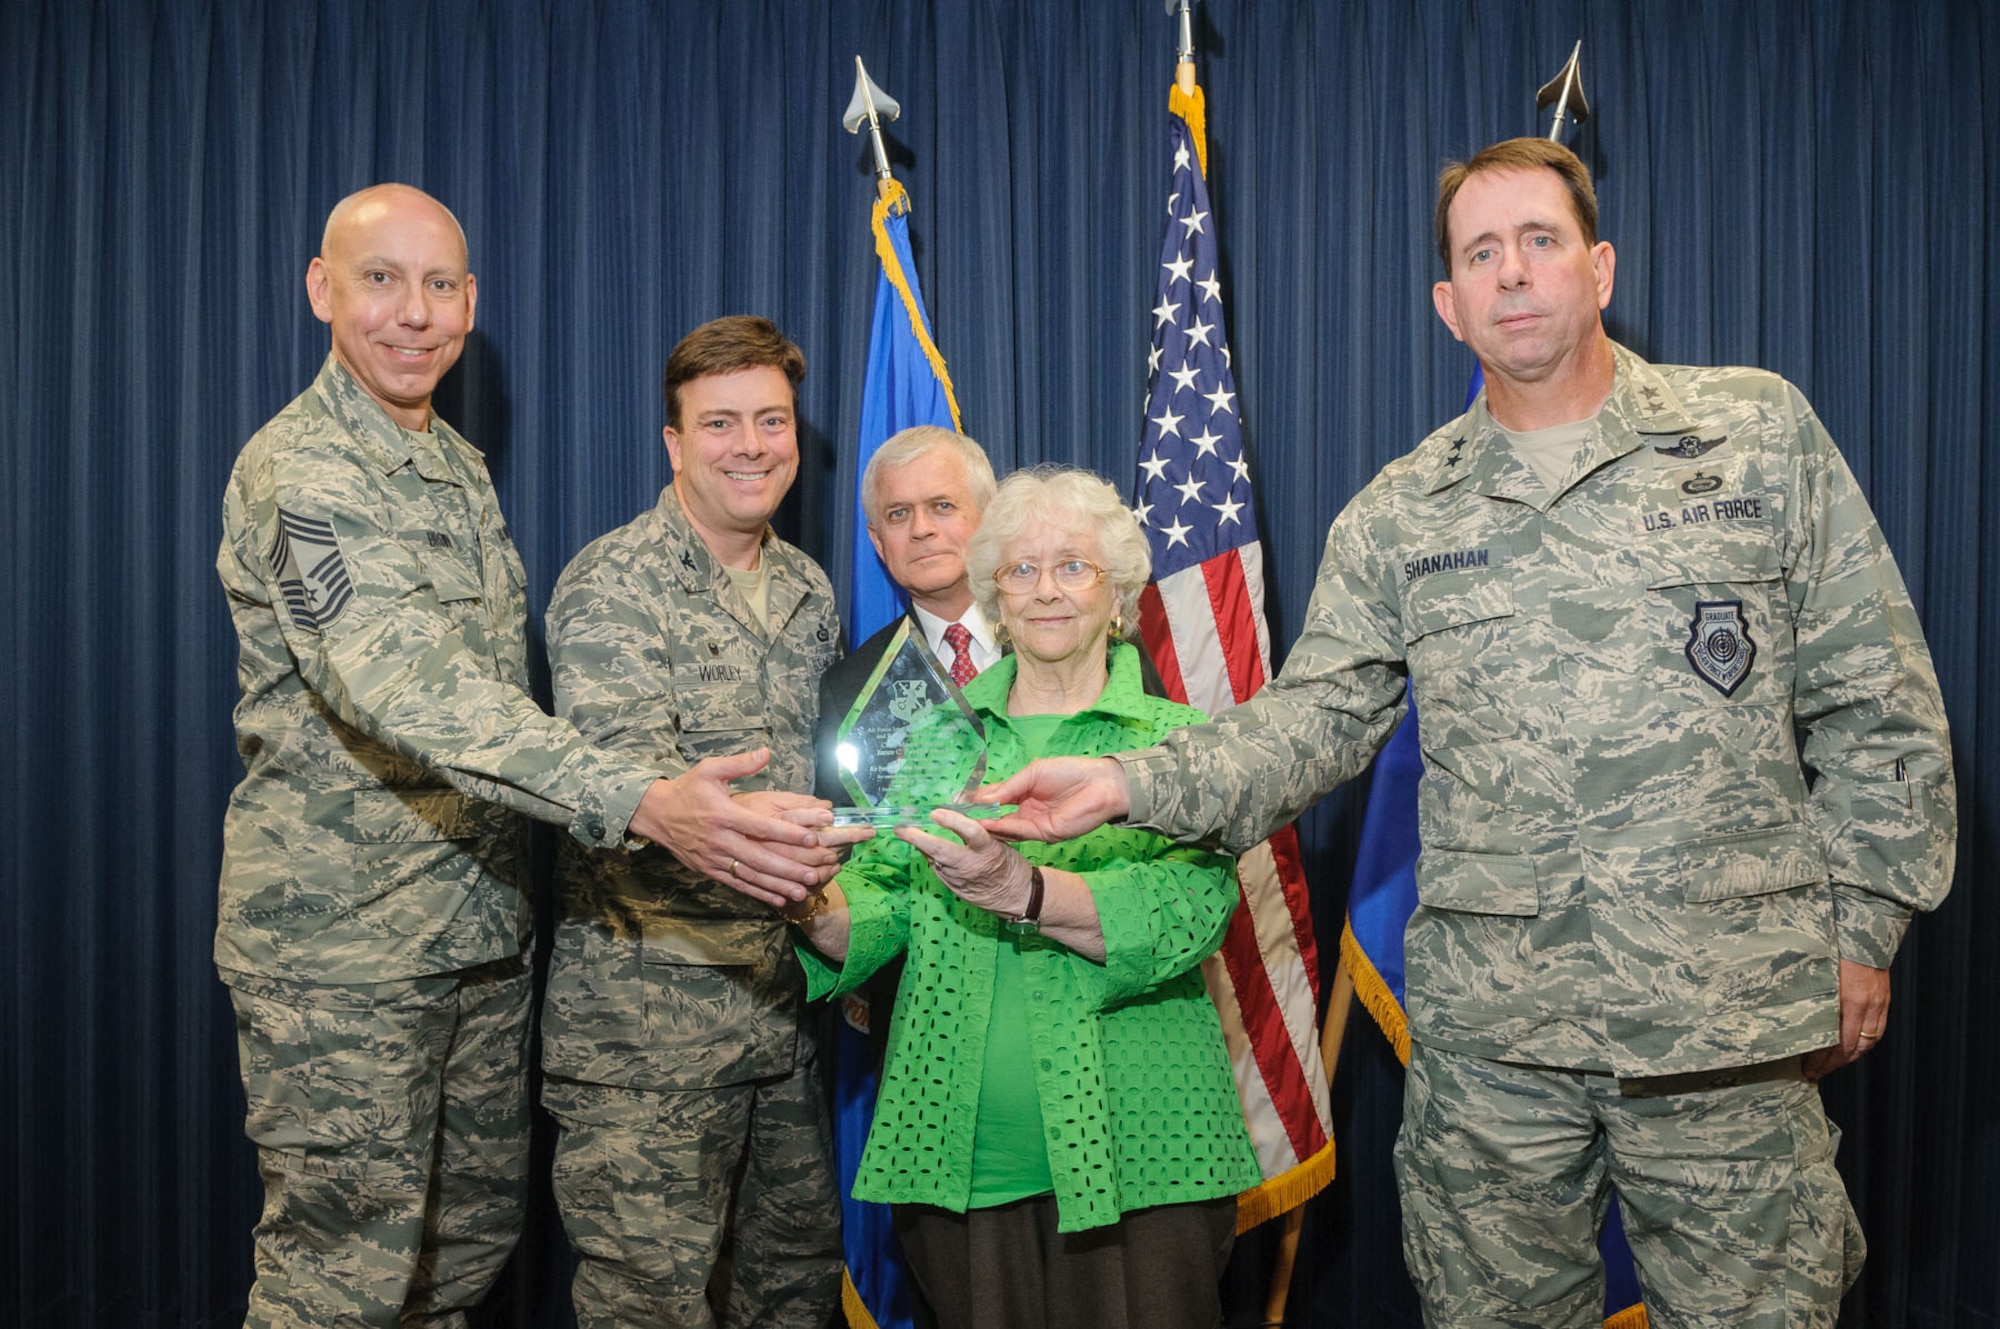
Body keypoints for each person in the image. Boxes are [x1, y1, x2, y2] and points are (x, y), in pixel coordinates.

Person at [981, 140, 1957, 1328]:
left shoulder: (1753, 433)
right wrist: (1128, 781)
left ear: (1597, 266)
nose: (1511, 274)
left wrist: (1863, 926)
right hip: (1494, 1055)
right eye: (1478, 254)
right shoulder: (1399, 511)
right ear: (1447, 306)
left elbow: (1877, 701)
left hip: (1728, 1030)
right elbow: (1310, 724)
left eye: (1538, 241)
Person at [215, 188, 841, 1329]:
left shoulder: (453, 463)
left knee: (458, 1261)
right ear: (320, 290)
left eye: (441, 284)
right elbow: (402, 683)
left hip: (482, 938)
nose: (415, 313)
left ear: (471, 304)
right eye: (381, 280)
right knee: (339, 1283)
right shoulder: (301, 473)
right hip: (348, 952)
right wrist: (641, 797)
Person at [792, 467, 1261, 1329]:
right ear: (993, 596)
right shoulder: (935, 735)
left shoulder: (1179, 743)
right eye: (1020, 570)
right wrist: (797, 896)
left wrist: (1026, 890)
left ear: (1117, 591)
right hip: (955, 1154)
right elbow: (885, 902)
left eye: (1074, 566)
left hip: (1146, 1157)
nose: (1046, 590)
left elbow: (1189, 914)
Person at [542, 316, 869, 1329]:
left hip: (780, 1017)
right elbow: (614, 784)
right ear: (675, 443)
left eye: (771, 420)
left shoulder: (809, 588)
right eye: (719, 423)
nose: (752, 446)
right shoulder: (614, 581)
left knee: (795, 1293)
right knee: (651, 1310)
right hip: (647, 1043)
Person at [814, 424, 1001, 804]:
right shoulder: (850, 687)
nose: (921, 529)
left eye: (942, 506)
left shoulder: (1070, 634)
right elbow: (851, 841)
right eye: (898, 514)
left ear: (989, 517)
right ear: (878, 543)